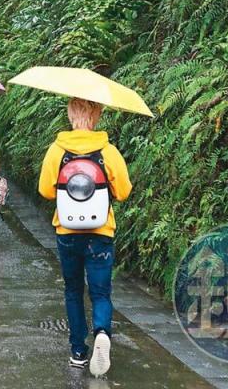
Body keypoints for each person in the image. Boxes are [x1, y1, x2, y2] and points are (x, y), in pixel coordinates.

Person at [38, 98, 132, 377]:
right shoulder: (108, 151)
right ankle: (102, 331)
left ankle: (78, 351)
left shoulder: (57, 150)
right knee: (101, 292)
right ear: (96, 115)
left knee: (73, 291)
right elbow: (124, 191)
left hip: (67, 232)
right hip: (100, 232)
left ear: (71, 114)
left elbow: (45, 189)